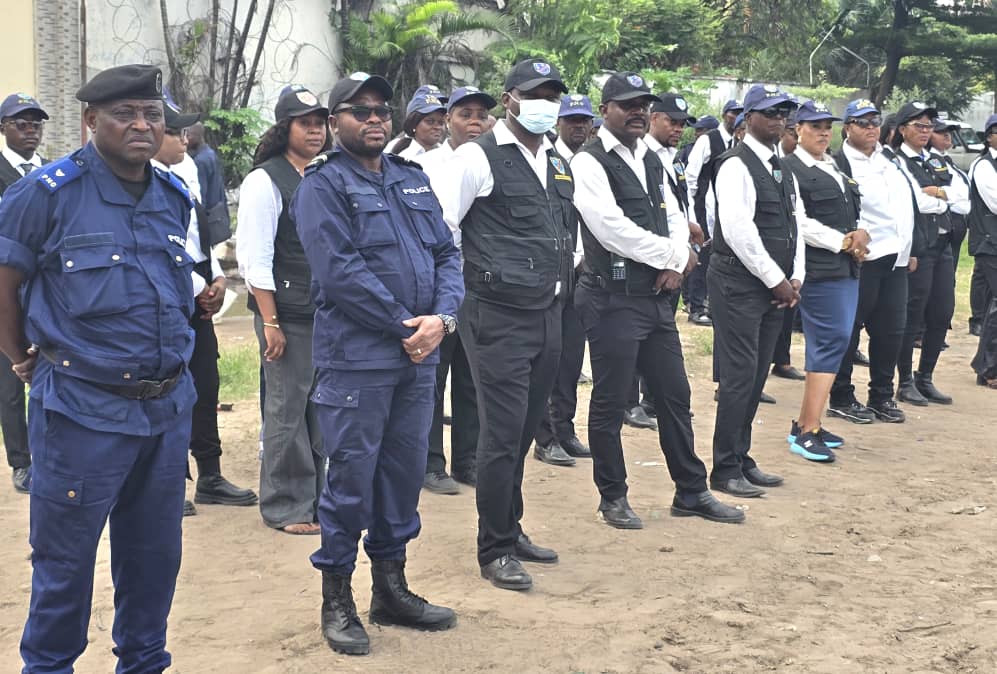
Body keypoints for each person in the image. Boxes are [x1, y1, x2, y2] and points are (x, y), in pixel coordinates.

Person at [0, 64, 196, 674]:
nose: (141, 125)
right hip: (83, 410)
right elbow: (3, 282)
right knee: (65, 562)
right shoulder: (46, 193)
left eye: (152, 114)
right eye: (124, 114)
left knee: (154, 557)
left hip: (165, 409)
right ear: (91, 121)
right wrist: (19, 357)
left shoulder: (172, 194)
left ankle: (143, 664)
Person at [293, 71, 463, 655]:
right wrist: (406, 327)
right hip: (358, 362)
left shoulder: (410, 179)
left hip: (417, 358)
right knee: (350, 481)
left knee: (402, 474)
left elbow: (446, 252)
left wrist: (442, 318)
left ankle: (391, 588)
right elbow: (339, 272)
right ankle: (336, 598)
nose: (373, 119)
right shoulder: (322, 184)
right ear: (333, 121)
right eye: (358, 111)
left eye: (380, 111)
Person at [572, 72, 742, 527]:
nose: (637, 112)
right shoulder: (589, 162)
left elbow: (672, 212)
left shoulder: (650, 157)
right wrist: (672, 253)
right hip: (611, 298)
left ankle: (691, 491)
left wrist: (676, 257)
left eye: (643, 105)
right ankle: (613, 497)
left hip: (654, 298)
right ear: (604, 109)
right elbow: (609, 228)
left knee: (674, 396)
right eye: (626, 104)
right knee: (610, 402)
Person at [440, 58, 574, 592]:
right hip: (495, 315)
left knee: (523, 430)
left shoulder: (556, 159)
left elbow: (565, 228)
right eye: (534, 93)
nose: (545, 103)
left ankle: (511, 528)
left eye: (552, 95)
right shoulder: (477, 157)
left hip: (548, 312)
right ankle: (493, 548)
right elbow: (443, 229)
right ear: (509, 98)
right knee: (500, 433)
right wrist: (458, 297)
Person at [154, 92, 258, 516]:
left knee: (205, 384)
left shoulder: (186, 171)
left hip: (197, 295)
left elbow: (195, 236)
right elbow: (162, 247)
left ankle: (210, 475)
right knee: (170, 390)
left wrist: (215, 276)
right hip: (167, 301)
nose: (184, 138)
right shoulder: (143, 181)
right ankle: (170, 483)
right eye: (175, 132)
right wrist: (200, 284)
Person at [236, 85, 330, 534]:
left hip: (322, 312)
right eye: (304, 122)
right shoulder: (265, 180)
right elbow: (256, 260)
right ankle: (285, 505)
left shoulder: (324, 173)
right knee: (287, 409)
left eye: (320, 122)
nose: (315, 130)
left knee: (320, 410)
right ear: (284, 128)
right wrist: (270, 321)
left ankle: (314, 500)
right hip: (286, 314)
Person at [708, 84, 803, 499]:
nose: (779, 119)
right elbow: (739, 232)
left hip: (773, 287)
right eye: (770, 113)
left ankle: (741, 456)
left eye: (784, 112)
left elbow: (793, 224)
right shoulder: (735, 165)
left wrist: (795, 276)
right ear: (748, 119)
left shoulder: (779, 165)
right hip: (739, 284)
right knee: (738, 377)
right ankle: (724, 467)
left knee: (757, 374)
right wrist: (775, 278)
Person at [419, 85, 497, 493]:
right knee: (435, 375)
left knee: (472, 377)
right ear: (447, 119)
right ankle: (431, 464)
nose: (474, 122)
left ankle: (469, 459)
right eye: (465, 114)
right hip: (439, 284)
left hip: (480, 286)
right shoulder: (427, 165)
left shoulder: (491, 161)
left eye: (481, 115)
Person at [782, 101, 866, 462]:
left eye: (826, 126)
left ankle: (807, 422)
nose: (822, 132)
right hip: (820, 269)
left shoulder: (832, 165)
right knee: (828, 343)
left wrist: (860, 233)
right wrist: (844, 241)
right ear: (797, 129)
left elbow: (851, 211)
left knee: (836, 342)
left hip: (846, 268)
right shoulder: (789, 168)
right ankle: (806, 430)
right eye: (814, 126)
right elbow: (798, 221)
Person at [827, 99, 915, 424]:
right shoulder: (837, 164)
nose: (870, 129)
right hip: (861, 259)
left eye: (875, 122)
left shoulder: (888, 159)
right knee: (848, 330)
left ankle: (881, 395)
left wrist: (910, 250)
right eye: (862, 123)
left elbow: (904, 207)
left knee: (890, 331)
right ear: (847, 127)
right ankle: (840, 395)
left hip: (895, 258)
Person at [533, 92, 596, 467]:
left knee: (571, 357)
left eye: (583, 121)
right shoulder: (546, 159)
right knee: (548, 360)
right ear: (558, 123)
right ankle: (544, 436)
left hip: (583, 274)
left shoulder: (589, 162)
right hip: (551, 273)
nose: (578, 126)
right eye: (571, 120)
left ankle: (565, 428)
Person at [892, 101, 962, 406]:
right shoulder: (895, 162)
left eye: (929, 127)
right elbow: (914, 202)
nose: (925, 131)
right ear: (902, 128)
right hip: (921, 246)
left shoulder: (936, 161)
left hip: (944, 244)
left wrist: (942, 195)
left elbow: (964, 197)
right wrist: (944, 199)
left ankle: (925, 377)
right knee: (913, 314)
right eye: (918, 125)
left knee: (941, 312)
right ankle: (904, 381)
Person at [0, 92, 48, 494]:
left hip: (42, 289)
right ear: (4, 129)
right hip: (5, 289)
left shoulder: (51, 173)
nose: (30, 131)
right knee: (11, 380)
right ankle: (21, 460)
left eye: (35, 124)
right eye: (21, 123)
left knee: (48, 371)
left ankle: (49, 452)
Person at [685, 99, 742, 325]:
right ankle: (696, 306)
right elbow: (691, 176)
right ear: (724, 114)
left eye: (740, 113)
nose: (734, 116)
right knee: (702, 256)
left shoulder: (738, 143)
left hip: (724, 209)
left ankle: (709, 303)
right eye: (732, 112)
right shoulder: (709, 140)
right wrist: (691, 213)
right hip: (702, 207)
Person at [969, 114, 997, 389]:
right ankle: (987, 368)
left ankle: (986, 365)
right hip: (990, 243)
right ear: (988, 136)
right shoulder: (984, 166)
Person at [930, 119, 971, 271]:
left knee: (949, 275)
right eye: (940, 132)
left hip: (958, 222)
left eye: (949, 132)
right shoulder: (932, 159)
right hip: (947, 220)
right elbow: (952, 192)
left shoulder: (945, 158)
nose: (947, 136)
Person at [185, 121, 232, 249]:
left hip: (210, 221)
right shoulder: (210, 153)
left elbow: (200, 197)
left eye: (188, 136)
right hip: (219, 215)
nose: (185, 140)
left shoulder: (200, 161)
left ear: (197, 136)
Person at [386, 85, 446, 159]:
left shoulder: (446, 153)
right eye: (430, 121)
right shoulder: (399, 151)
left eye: (441, 122)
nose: (437, 127)